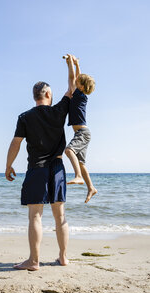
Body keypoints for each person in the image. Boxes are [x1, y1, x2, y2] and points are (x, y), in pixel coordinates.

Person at [5, 56, 75, 271]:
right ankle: (63, 257)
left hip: (36, 169)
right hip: (57, 168)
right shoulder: (58, 111)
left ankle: (34, 261)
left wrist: (8, 166)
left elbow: (15, 143)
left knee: (35, 215)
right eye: (51, 94)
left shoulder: (24, 117)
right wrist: (70, 65)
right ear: (47, 94)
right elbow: (72, 86)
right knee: (60, 216)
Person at [65, 55, 97, 203]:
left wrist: (70, 63)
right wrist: (77, 64)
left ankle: (78, 176)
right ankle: (91, 187)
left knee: (69, 150)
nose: (75, 82)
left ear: (82, 87)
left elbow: (73, 77)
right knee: (81, 162)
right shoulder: (80, 94)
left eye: (78, 83)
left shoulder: (79, 95)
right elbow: (77, 77)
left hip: (82, 133)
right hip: (83, 133)